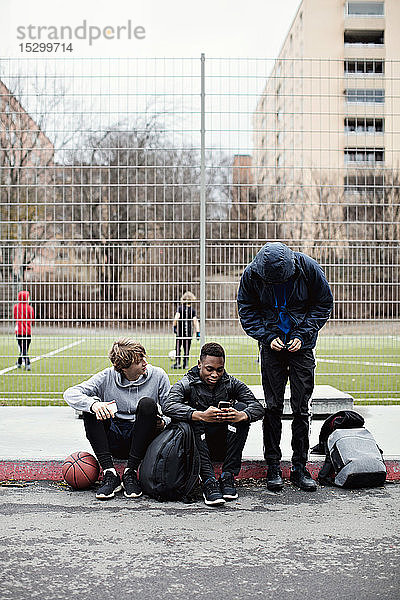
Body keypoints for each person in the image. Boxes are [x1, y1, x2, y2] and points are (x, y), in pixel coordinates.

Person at [237, 242, 333, 492]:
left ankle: (300, 468)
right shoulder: (252, 274)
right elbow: (247, 310)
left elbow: (323, 304)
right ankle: (273, 466)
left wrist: (303, 334)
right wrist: (267, 337)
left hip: (302, 346)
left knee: (301, 407)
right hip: (271, 347)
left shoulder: (309, 268)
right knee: (273, 407)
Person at [64, 338, 171, 500]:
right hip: (115, 438)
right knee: (91, 408)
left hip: (142, 440)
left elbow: (171, 410)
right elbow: (70, 393)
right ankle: (110, 473)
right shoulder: (107, 376)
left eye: (143, 357)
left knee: (148, 404)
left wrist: (163, 422)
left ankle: (131, 473)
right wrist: (93, 405)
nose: (145, 363)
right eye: (139, 361)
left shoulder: (158, 375)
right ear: (123, 368)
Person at [162, 342, 264, 506]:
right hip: (197, 447)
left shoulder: (230, 383)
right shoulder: (186, 383)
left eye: (219, 369)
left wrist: (241, 415)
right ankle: (208, 481)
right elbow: (168, 405)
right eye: (209, 369)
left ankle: (228, 476)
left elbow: (258, 406)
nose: (215, 374)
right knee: (192, 419)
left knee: (242, 409)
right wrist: (199, 415)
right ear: (199, 364)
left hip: (224, 444)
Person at [172, 291, 200, 370]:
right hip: (188, 332)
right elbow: (195, 321)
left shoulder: (180, 308)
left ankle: (177, 363)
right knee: (187, 348)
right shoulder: (192, 310)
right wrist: (198, 332)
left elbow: (176, 318)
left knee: (178, 347)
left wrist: (174, 326)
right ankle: (186, 364)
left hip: (180, 332)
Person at [13, 290, 34, 371]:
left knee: (22, 348)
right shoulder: (29, 308)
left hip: (19, 331)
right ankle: (27, 363)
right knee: (25, 348)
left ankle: (19, 362)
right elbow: (32, 318)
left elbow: (15, 317)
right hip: (27, 331)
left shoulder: (16, 307)